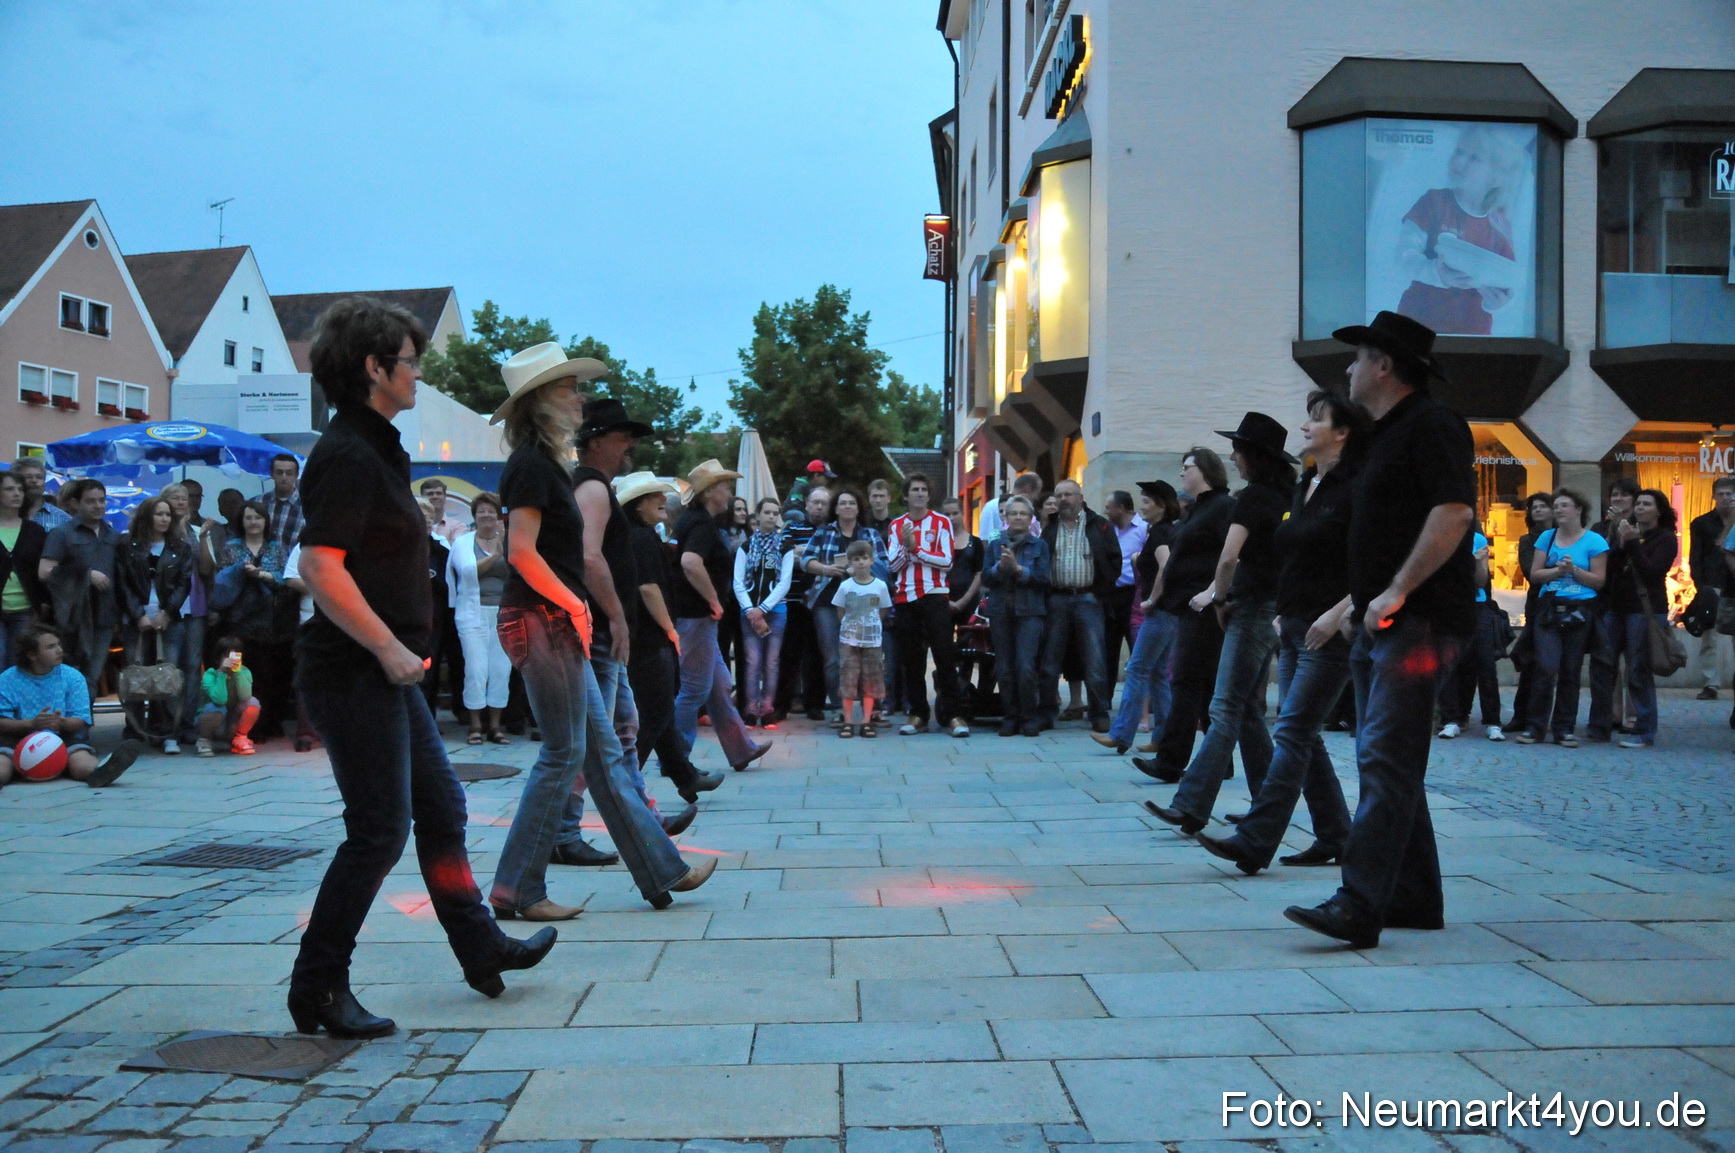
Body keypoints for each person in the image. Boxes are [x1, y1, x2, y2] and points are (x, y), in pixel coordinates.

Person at [287, 298, 552, 1040]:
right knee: (377, 829)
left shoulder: (377, 445)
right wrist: (387, 646)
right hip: (353, 672)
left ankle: (478, 943)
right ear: (375, 367)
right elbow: (318, 563)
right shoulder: (346, 451)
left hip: (387, 674)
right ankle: (317, 985)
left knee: (440, 809)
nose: (418, 374)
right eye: (410, 361)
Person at [487, 345, 707, 912]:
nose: (579, 396)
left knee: (599, 752)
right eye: (568, 388)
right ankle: (518, 888)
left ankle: (658, 870)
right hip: (542, 620)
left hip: (550, 620)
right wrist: (577, 605)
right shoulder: (533, 466)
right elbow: (521, 553)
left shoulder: (546, 465)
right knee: (567, 752)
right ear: (540, 402)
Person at [1286, 311, 1476, 950]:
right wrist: (1354, 606)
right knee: (1390, 762)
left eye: (1358, 357)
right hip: (1379, 620)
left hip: (1418, 621)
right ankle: (1413, 897)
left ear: (1385, 365)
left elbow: (1453, 513)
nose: (1348, 369)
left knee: (1385, 759)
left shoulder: (1432, 424)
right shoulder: (1377, 437)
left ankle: (1359, 902)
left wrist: (1398, 589)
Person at [1193, 390, 1364, 874]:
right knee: (1303, 735)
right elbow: (1288, 557)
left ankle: (1256, 839)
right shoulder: (1306, 484)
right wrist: (1281, 612)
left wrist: (1337, 613)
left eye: (1316, 419)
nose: (1305, 427)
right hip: (1291, 625)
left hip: (1324, 632)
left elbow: (1374, 560)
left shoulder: (1355, 487)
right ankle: (1336, 835)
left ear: (1343, 432)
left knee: (1291, 730)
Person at [550, 395, 699, 859]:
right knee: (594, 740)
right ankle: (568, 834)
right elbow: (589, 555)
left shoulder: (593, 486)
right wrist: (616, 616)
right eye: (622, 437)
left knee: (618, 731)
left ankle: (640, 820)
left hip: (597, 630)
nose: (629, 445)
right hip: (595, 631)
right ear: (596, 442)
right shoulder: (593, 488)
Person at [1145, 412, 1294, 834]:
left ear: (1252, 455)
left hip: (1249, 608)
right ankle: (1267, 804)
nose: (1233, 456)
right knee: (1246, 710)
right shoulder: (1287, 496)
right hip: (1273, 606)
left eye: (1238, 449)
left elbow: (1229, 557)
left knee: (1225, 706)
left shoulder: (1250, 499)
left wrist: (1218, 597)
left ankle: (1191, 804)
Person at [617, 471, 723, 804]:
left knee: (658, 712)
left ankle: (685, 777)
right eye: (654, 496)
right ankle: (626, 791)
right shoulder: (640, 537)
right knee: (654, 714)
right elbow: (648, 588)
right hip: (650, 639)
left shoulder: (638, 534)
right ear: (637, 505)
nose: (664, 499)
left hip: (646, 637)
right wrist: (669, 629)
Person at [1131, 449, 1234, 781]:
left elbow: (1232, 557)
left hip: (1202, 608)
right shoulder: (1199, 509)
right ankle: (1220, 762)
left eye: (1186, 468)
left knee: (1187, 683)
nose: (1181, 474)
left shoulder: (1222, 507)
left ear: (1203, 470)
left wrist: (1212, 592)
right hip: (1187, 608)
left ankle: (1170, 762)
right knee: (1201, 687)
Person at [671, 459, 772, 772]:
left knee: (718, 687)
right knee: (693, 691)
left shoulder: (694, 520)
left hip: (695, 617)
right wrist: (714, 600)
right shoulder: (701, 524)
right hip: (696, 617)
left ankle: (741, 749)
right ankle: (676, 760)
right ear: (711, 491)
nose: (729, 492)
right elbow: (690, 562)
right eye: (725, 486)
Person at [1517, 489, 1608, 747]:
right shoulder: (1546, 538)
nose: (1558, 510)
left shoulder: (1595, 541)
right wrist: (1557, 571)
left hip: (1580, 610)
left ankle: (1564, 728)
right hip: (1549, 608)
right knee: (1545, 666)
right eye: (1556, 506)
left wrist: (1574, 570)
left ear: (1578, 509)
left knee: (1571, 669)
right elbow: (1535, 575)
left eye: (1564, 505)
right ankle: (1535, 727)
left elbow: (1599, 581)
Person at [1095, 480, 1180, 754]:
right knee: (1157, 674)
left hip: (1160, 612)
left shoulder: (1159, 534)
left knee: (1137, 669)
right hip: (1169, 612)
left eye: (1146, 502)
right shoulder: (1164, 531)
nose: (1141, 506)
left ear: (1161, 506)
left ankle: (1121, 734)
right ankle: (1164, 738)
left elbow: (1167, 567)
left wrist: (1152, 599)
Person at [0, 624, 138, 788]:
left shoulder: (72, 677)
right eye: (51, 647)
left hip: (63, 738)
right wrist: (31, 724)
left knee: (81, 761)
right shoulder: (7, 679)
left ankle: (101, 771)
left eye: (59, 644)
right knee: (3, 763)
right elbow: (2, 723)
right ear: (32, 654)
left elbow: (79, 720)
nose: (59, 650)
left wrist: (62, 722)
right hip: (18, 740)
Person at [1037, 479, 1122, 733]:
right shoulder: (1050, 528)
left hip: (1089, 598)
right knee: (1050, 660)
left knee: (1095, 658)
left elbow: (1114, 561)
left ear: (1080, 497)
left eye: (1068, 495)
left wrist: (1100, 592)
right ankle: (1046, 711)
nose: (1063, 499)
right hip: (1057, 598)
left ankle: (1099, 712)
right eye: (1059, 495)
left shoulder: (1100, 525)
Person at [887, 473, 967, 738]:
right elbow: (893, 566)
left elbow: (946, 562)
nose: (919, 493)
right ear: (906, 495)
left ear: (928, 495)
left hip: (935, 595)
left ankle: (955, 714)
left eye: (923, 489)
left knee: (944, 656)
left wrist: (915, 550)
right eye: (914, 490)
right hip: (905, 598)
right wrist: (907, 549)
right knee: (912, 660)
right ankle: (918, 713)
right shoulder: (896, 525)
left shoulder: (942, 521)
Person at [802, 486, 889, 720]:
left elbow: (885, 565)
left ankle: (875, 709)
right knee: (834, 658)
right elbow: (805, 560)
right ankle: (842, 708)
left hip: (863, 601)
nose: (848, 507)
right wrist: (825, 568)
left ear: (859, 508)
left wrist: (860, 568)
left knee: (868, 655)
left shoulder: (870, 534)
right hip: (828, 601)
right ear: (836, 508)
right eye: (843, 503)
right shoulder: (823, 533)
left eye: (852, 503)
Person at [118, 494, 195, 751]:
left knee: (166, 675)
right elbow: (123, 582)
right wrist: (137, 613)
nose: (164, 519)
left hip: (169, 619)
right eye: (159, 514)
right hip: (136, 617)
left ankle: (167, 732)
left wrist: (168, 612)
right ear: (146, 516)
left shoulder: (180, 547)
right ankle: (135, 730)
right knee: (136, 673)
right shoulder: (127, 545)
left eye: (168, 515)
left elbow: (184, 583)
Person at [1602, 489, 1677, 749]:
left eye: (1647, 504)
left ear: (1659, 511)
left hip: (1644, 611)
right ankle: (1602, 723)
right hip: (1616, 608)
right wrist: (1621, 543)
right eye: (1639, 504)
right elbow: (1609, 569)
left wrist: (1632, 543)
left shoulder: (1666, 539)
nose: (1641, 508)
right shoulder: (1628, 532)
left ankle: (1644, 730)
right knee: (1606, 665)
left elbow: (1652, 571)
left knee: (1638, 670)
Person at [39, 478, 121, 698]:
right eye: (91, 501)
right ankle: (68, 727)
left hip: (104, 617)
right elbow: (45, 571)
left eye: (102, 500)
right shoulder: (62, 533)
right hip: (71, 620)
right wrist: (86, 575)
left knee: (92, 676)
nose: (98, 506)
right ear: (76, 503)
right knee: (69, 675)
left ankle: (83, 729)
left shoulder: (113, 536)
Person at [216, 500, 291, 741]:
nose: (253, 522)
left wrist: (263, 575)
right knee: (238, 672)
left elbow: (285, 580)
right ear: (242, 521)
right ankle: (241, 725)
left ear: (265, 521)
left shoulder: (276, 548)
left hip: (271, 623)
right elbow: (221, 582)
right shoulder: (231, 548)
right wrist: (240, 570)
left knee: (269, 674)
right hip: (238, 622)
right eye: (248, 518)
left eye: (258, 517)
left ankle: (268, 722)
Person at [980, 495, 1050, 736]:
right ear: (1005, 517)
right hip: (1000, 611)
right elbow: (985, 579)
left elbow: (1044, 579)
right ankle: (1009, 717)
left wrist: (1019, 570)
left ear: (1031, 519)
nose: (1018, 517)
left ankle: (1029, 717)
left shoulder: (1039, 546)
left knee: (1026, 667)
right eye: (1013, 513)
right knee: (1004, 668)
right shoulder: (994, 544)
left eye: (1023, 513)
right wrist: (1000, 568)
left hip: (1029, 612)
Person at [448, 492, 512, 746]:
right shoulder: (463, 542)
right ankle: (475, 725)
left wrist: (505, 549)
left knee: (501, 670)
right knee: (475, 669)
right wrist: (496, 555)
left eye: (491, 511)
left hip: (503, 614)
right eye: (481, 511)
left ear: (499, 517)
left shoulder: (508, 541)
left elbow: (519, 572)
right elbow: (467, 572)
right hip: (471, 614)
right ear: (474, 515)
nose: (486, 515)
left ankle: (495, 726)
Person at [1435, 525, 1505, 742]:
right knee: (1448, 663)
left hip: (1478, 606)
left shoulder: (1477, 539)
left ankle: (1493, 722)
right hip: (1449, 606)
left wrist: (1476, 562)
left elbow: (1481, 581)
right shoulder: (1440, 535)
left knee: (1486, 664)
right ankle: (1451, 719)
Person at [1587, 477, 1640, 741]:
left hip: (1635, 600)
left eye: (1623, 495)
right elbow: (1602, 557)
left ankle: (1634, 713)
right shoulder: (1599, 527)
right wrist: (1613, 528)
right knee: (1607, 661)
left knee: (1634, 660)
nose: (1618, 499)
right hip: (1607, 600)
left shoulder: (1643, 527)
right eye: (1614, 495)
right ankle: (1613, 712)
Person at [734, 497, 794, 727]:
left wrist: (764, 607)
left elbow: (784, 582)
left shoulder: (785, 547)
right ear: (757, 515)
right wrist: (750, 609)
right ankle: (750, 708)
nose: (770, 516)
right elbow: (738, 580)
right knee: (752, 661)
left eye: (774, 513)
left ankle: (768, 707)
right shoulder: (746, 546)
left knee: (771, 661)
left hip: (776, 610)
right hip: (749, 611)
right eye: (766, 512)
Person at [776, 486, 830, 721]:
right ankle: (782, 704)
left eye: (824, 503)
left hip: (823, 602)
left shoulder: (831, 531)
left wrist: (804, 555)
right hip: (794, 601)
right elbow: (785, 556)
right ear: (806, 504)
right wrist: (814, 559)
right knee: (788, 654)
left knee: (818, 654)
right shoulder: (793, 527)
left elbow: (832, 559)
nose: (819, 507)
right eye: (815, 502)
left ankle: (815, 704)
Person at [833, 539, 893, 738]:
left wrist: (873, 624)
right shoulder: (846, 586)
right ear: (850, 562)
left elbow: (884, 608)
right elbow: (840, 610)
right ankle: (848, 720)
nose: (861, 562)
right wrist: (850, 627)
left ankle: (866, 720)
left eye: (864, 558)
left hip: (872, 639)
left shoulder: (880, 585)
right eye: (856, 559)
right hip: (849, 640)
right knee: (848, 677)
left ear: (872, 560)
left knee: (871, 678)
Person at [419, 477, 468, 722]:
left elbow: (451, 581)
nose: (426, 524)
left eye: (429, 520)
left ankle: (454, 714)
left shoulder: (442, 551)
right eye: (422, 519)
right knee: (424, 672)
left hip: (442, 615)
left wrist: (432, 577)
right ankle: (423, 719)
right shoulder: (401, 548)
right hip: (414, 615)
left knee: (443, 665)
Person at [1505, 493, 1555, 732]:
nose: (1537, 510)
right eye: (1534, 507)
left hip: (1568, 603)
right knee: (1531, 661)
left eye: (1543, 506)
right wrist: (1561, 568)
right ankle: (1522, 715)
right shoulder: (1529, 540)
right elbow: (1529, 571)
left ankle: (1555, 720)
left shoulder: (1566, 537)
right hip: (1538, 605)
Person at [1688, 477, 1735, 700]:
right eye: (1721, 494)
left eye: (1729, 494)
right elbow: (1695, 557)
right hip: (1713, 583)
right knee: (1710, 638)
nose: (1725, 498)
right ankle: (1711, 683)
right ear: (1714, 496)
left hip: (1732, 583)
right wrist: (1700, 586)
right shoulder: (1702, 523)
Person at [0, 471, 48, 668]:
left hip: (25, 608)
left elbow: (41, 570)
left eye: (20, 489)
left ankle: (10, 699)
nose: (17, 494)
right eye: (10, 489)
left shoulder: (34, 531)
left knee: (16, 663)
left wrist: (43, 603)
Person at [1102, 490, 1147, 689]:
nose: (1105, 511)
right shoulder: (1108, 530)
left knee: (1137, 647)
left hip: (1134, 594)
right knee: (1108, 649)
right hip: (1111, 595)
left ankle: (1144, 701)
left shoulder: (1144, 529)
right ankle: (1105, 700)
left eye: (1108, 507)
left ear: (1120, 508)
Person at [196, 636, 261, 756]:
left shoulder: (245, 672)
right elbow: (220, 700)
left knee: (253, 702)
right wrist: (222, 673)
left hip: (231, 723)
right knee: (215, 707)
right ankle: (204, 741)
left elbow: (245, 696)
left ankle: (240, 738)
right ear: (219, 657)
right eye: (227, 655)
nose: (231, 659)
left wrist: (237, 672)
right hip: (212, 723)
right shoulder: (210, 675)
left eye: (236, 654)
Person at [11, 457, 71, 531]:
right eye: (28, 477)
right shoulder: (4, 514)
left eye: (39, 477)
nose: (34, 481)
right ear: (15, 481)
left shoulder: (63, 519)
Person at [262, 453, 304, 549]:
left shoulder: (307, 508)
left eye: (289, 473)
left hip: (293, 563)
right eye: (279, 472)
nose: (284, 477)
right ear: (271, 474)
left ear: (296, 475)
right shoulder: (258, 503)